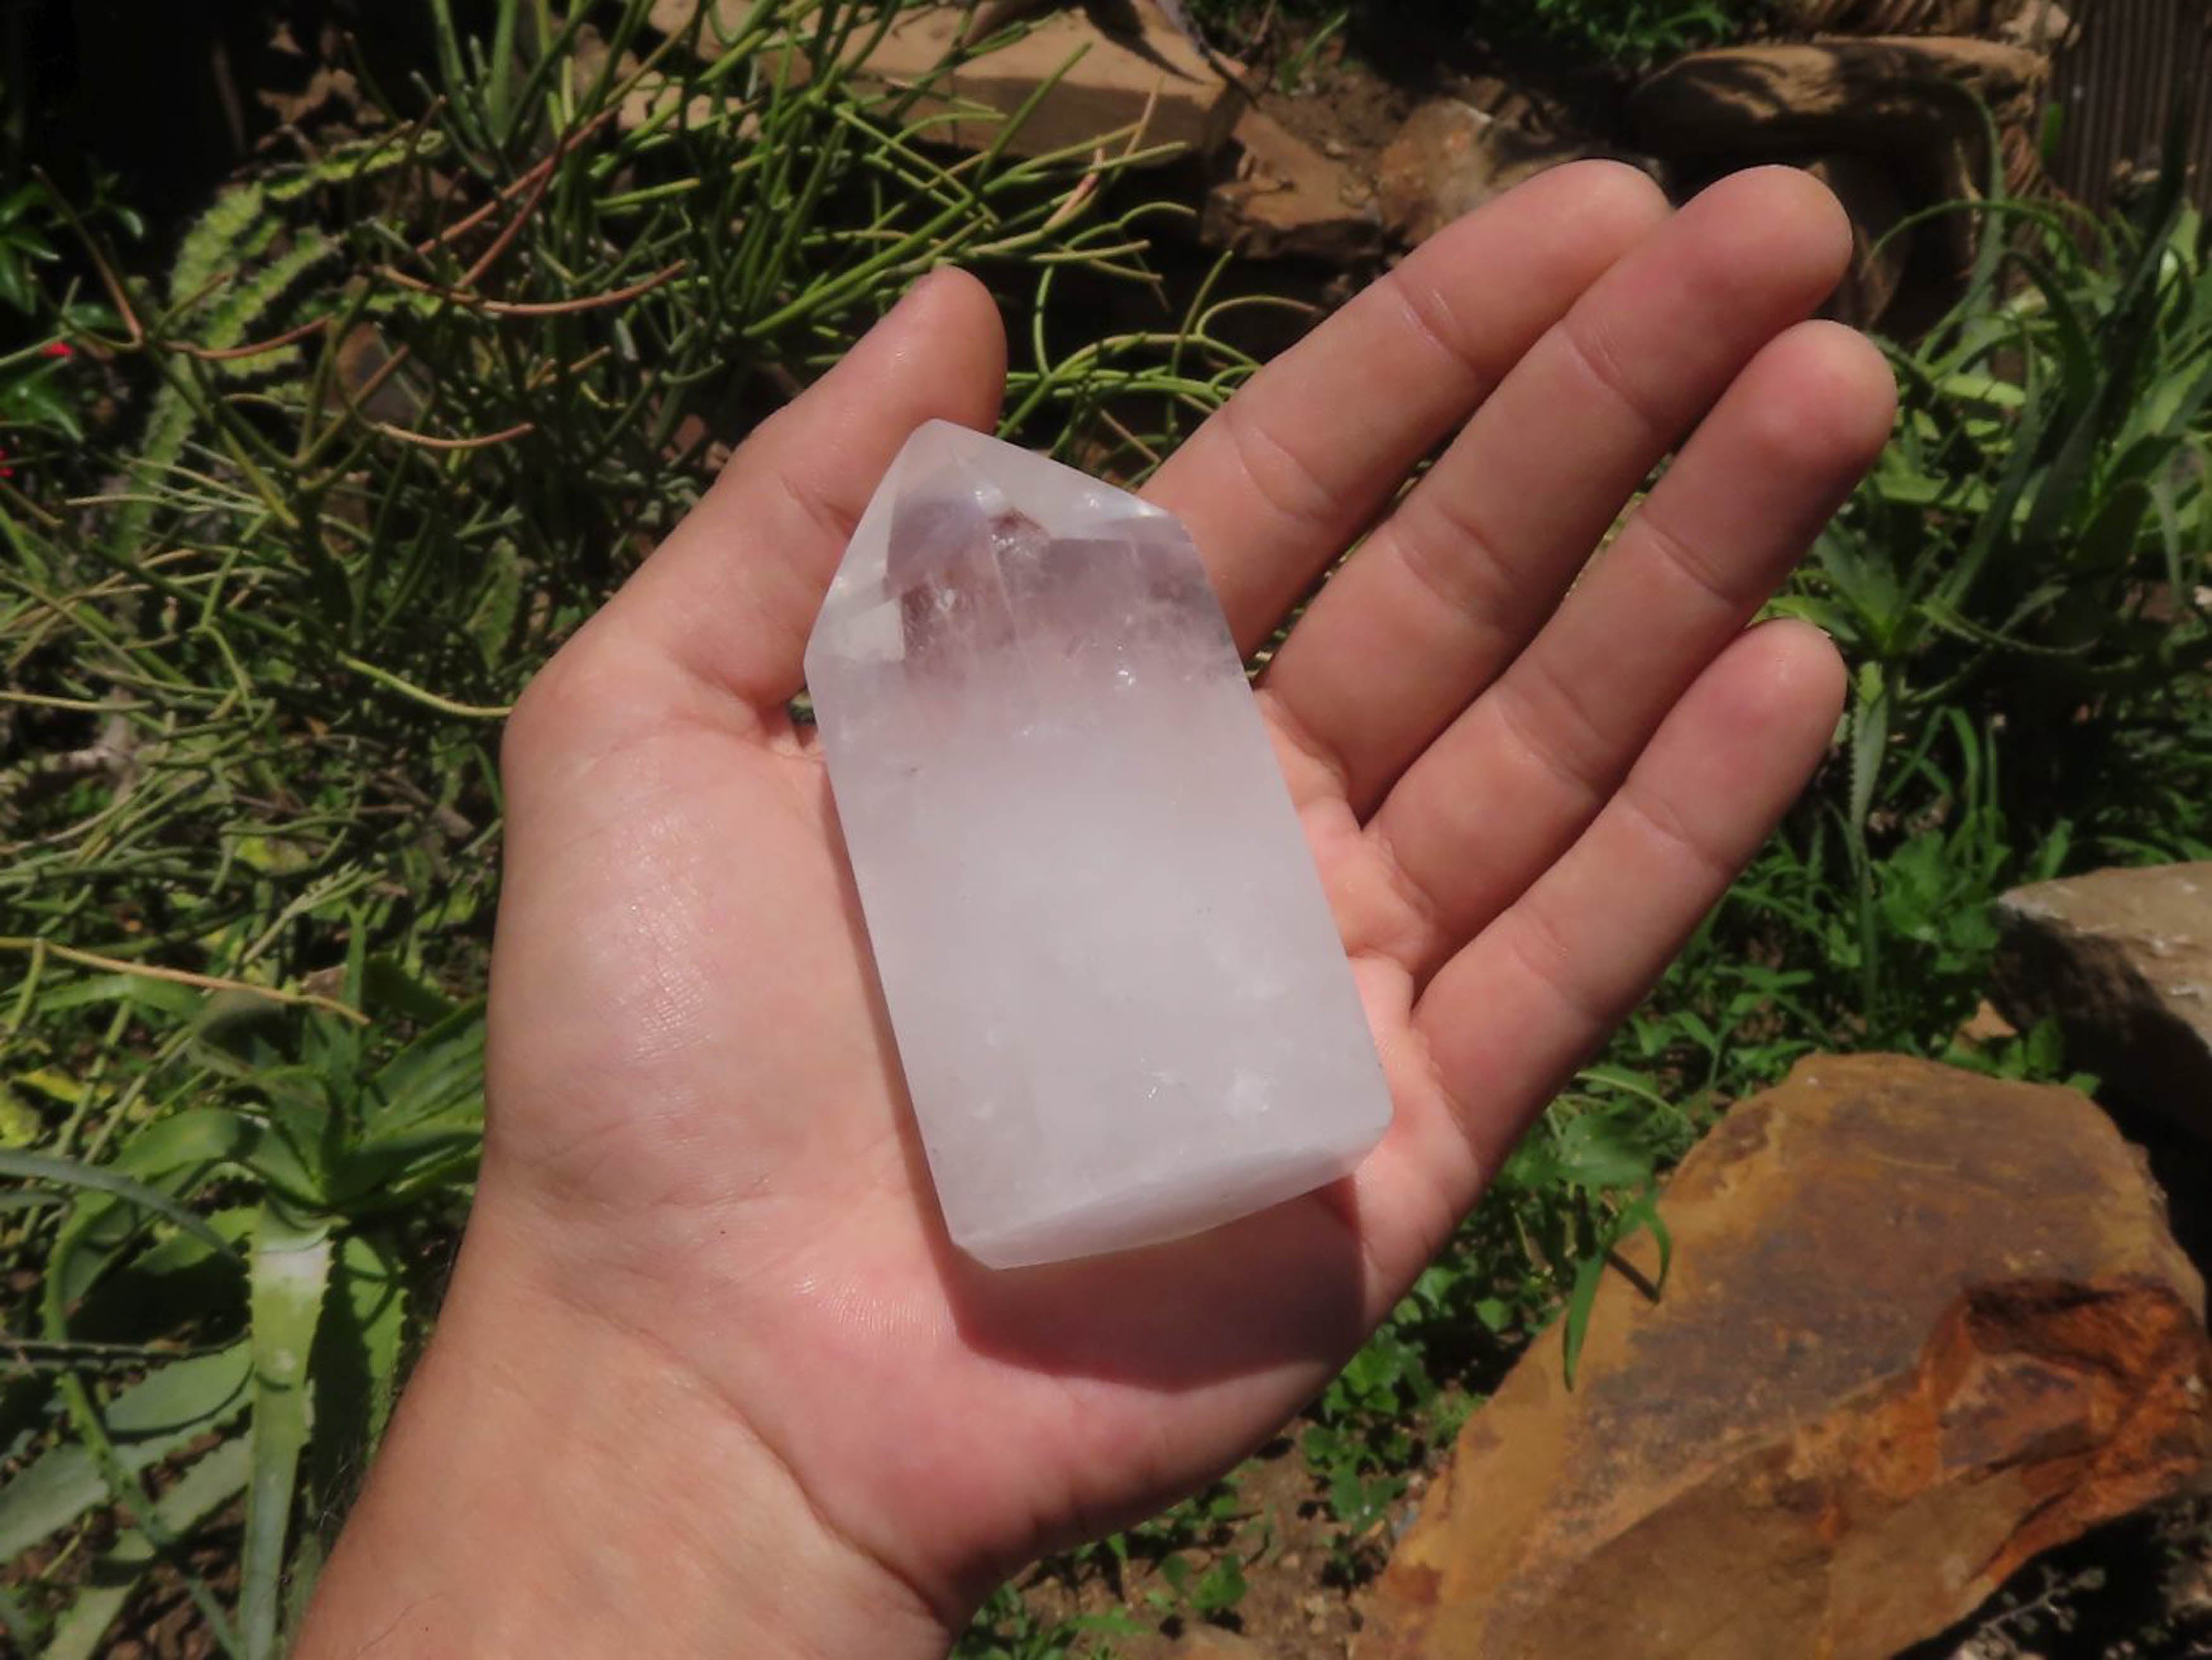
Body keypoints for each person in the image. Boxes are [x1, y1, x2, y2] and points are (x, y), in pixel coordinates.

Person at [293, 162, 1894, 1656]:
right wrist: (676, 1389)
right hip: (1153, 1139)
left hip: (1186, 1129)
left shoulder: (1004, 602)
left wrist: (659, 1429)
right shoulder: (972, 618)